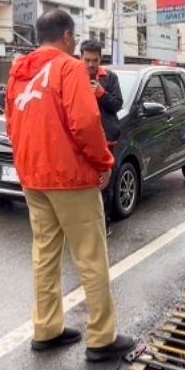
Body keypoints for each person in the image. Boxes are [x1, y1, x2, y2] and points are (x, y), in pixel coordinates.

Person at [6, 10, 136, 362]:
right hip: (70, 177)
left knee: (45, 254)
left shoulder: (18, 71)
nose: (76, 44)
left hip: (33, 176)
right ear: (66, 36)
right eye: (75, 38)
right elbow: (85, 122)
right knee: (91, 255)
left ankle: (46, 327)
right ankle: (101, 337)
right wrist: (104, 163)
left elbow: (11, 123)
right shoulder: (69, 67)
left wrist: (24, 166)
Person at [79, 41, 123, 237]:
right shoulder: (74, 77)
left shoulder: (110, 78)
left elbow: (117, 104)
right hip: (82, 141)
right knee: (83, 184)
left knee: (105, 184)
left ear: (100, 60)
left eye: (94, 60)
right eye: (87, 60)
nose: (90, 64)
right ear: (81, 58)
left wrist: (101, 93)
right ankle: (84, 224)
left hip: (107, 139)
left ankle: (104, 224)